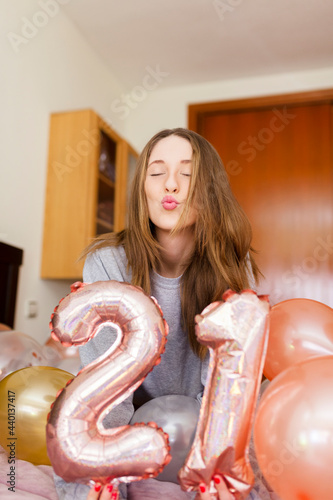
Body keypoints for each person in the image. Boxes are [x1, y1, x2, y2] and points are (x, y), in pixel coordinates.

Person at [54, 128, 273, 500]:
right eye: (156, 173)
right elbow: (107, 396)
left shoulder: (234, 269)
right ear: (144, 189)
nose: (170, 185)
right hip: (134, 424)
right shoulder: (108, 262)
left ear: (209, 191)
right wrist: (102, 479)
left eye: (187, 174)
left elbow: (226, 395)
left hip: (205, 416)